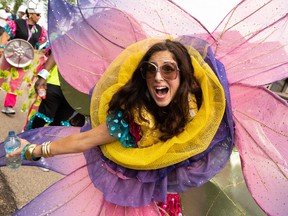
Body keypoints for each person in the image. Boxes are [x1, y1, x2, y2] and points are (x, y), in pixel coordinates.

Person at [7, 38, 232, 215]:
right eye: (150, 69)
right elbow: (84, 139)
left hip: (170, 203)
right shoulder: (133, 118)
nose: (158, 77)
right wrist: (35, 150)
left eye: (168, 69)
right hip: (131, 204)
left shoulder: (200, 113)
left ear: (183, 75)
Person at [0, 3, 48, 115]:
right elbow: (6, 35)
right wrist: (2, 47)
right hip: (11, 55)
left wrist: (35, 48)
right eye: (37, 14)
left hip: (25, 60)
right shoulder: (17, 23)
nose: (39, 17)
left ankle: (8, 105)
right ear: (30, 14)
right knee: (2, 76)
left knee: (16, 82)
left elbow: (43, 40)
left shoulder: (40, 29)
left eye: (40, 15)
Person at [25, 51, 80, 130]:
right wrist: (43, 76)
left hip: (79, 92)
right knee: (42, 118)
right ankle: (28, 139)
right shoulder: (75, 38)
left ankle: (45, 142)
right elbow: (56, 51)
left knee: (59, 125)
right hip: (56, 83)